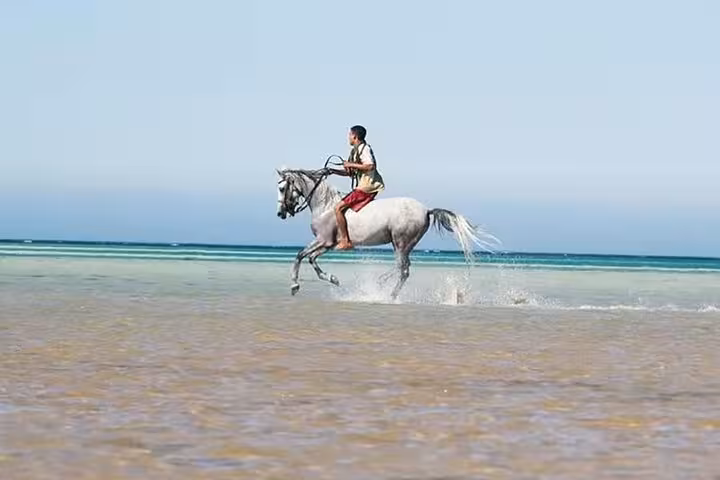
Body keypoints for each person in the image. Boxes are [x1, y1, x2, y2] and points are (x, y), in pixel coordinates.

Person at [332, 125, 385, 250]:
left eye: (350, 135)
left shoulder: (364, 149)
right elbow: (351, 173)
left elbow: (370, 166)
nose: (348, 137)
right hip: (362, 186)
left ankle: (346, 241)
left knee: (338, 208)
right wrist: (334, 171)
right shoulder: (355, 150)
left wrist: (350, 164)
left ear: (355, 136)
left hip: (367, 187)